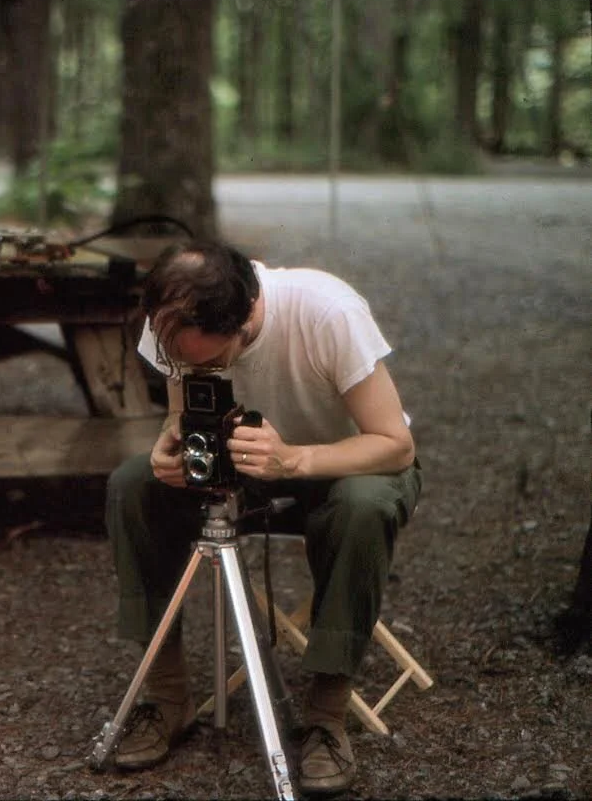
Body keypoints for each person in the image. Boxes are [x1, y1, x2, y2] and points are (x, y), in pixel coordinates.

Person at [105, 240, 422, 795]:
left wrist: (296, 460)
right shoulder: (172, 320)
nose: (190, 368)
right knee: (133, 486)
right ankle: (168, 697)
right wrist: (171, 446)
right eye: (182, 361)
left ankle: (326, 715)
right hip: (245, 459)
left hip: (349, 460)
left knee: (361, 506)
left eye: (210, 360)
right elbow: (184, 411)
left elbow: (396, 446)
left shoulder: (326, 311)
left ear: (248, 318)